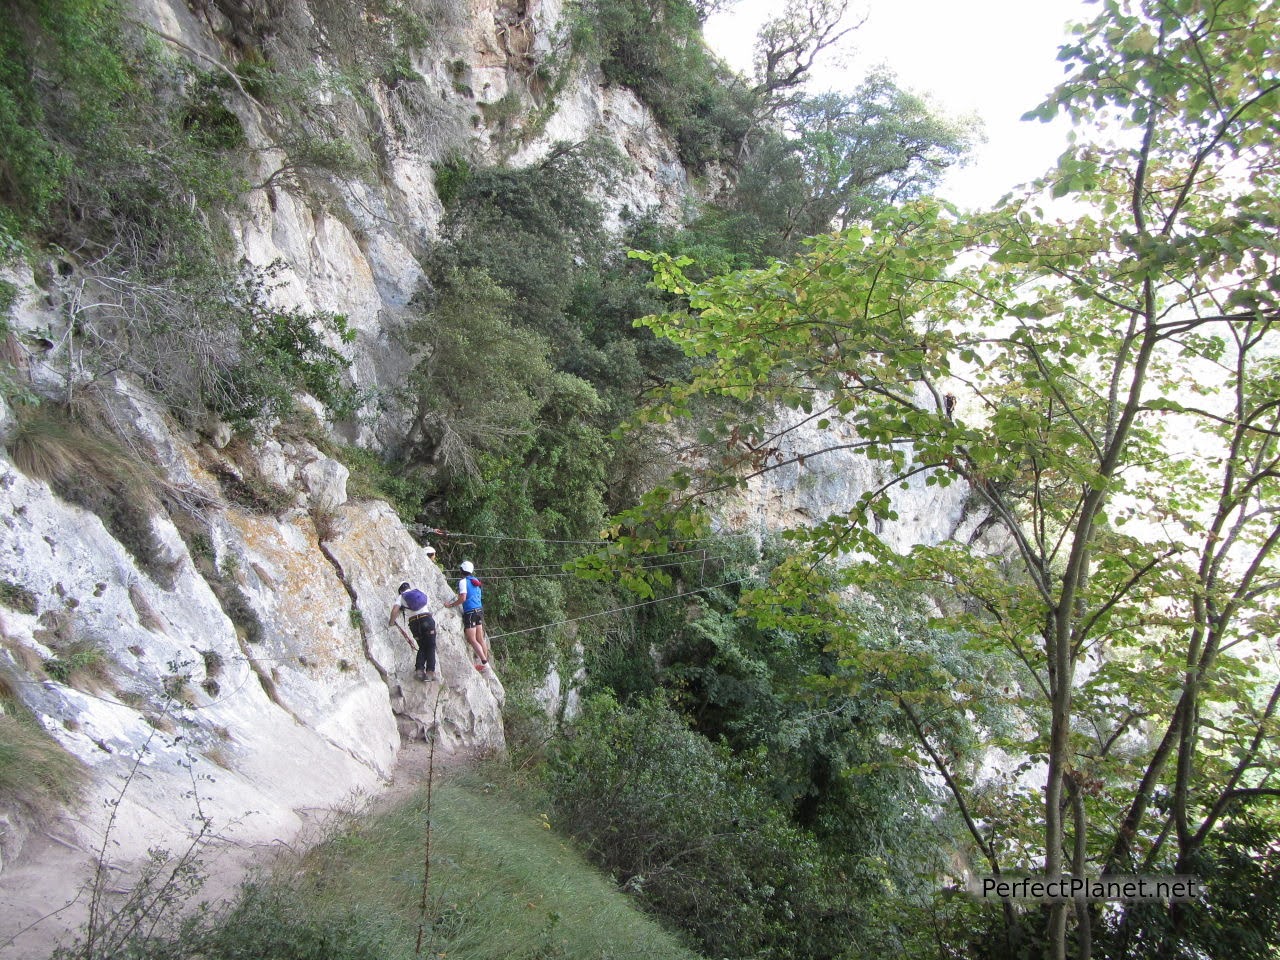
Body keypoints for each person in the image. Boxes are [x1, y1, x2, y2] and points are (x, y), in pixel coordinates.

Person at [389, 580, 439, 682]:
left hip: (414, 624)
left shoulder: (401, 597)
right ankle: (430, 672)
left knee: (422, 646)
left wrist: (391, 622)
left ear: (400, 590)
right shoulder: (418, 593)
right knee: (430, 645)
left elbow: (395, 610)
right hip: (426, 620)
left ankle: (419, 671)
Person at [445, 560, 489, 671]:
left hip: (470, 612)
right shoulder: (475, 580)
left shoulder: (463, 582)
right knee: (480, 638)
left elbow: (463, 598)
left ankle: (484, 663)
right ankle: (485, 662)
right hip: (479, 610)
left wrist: (451, 605)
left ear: (461, 570)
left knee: (472, 639)